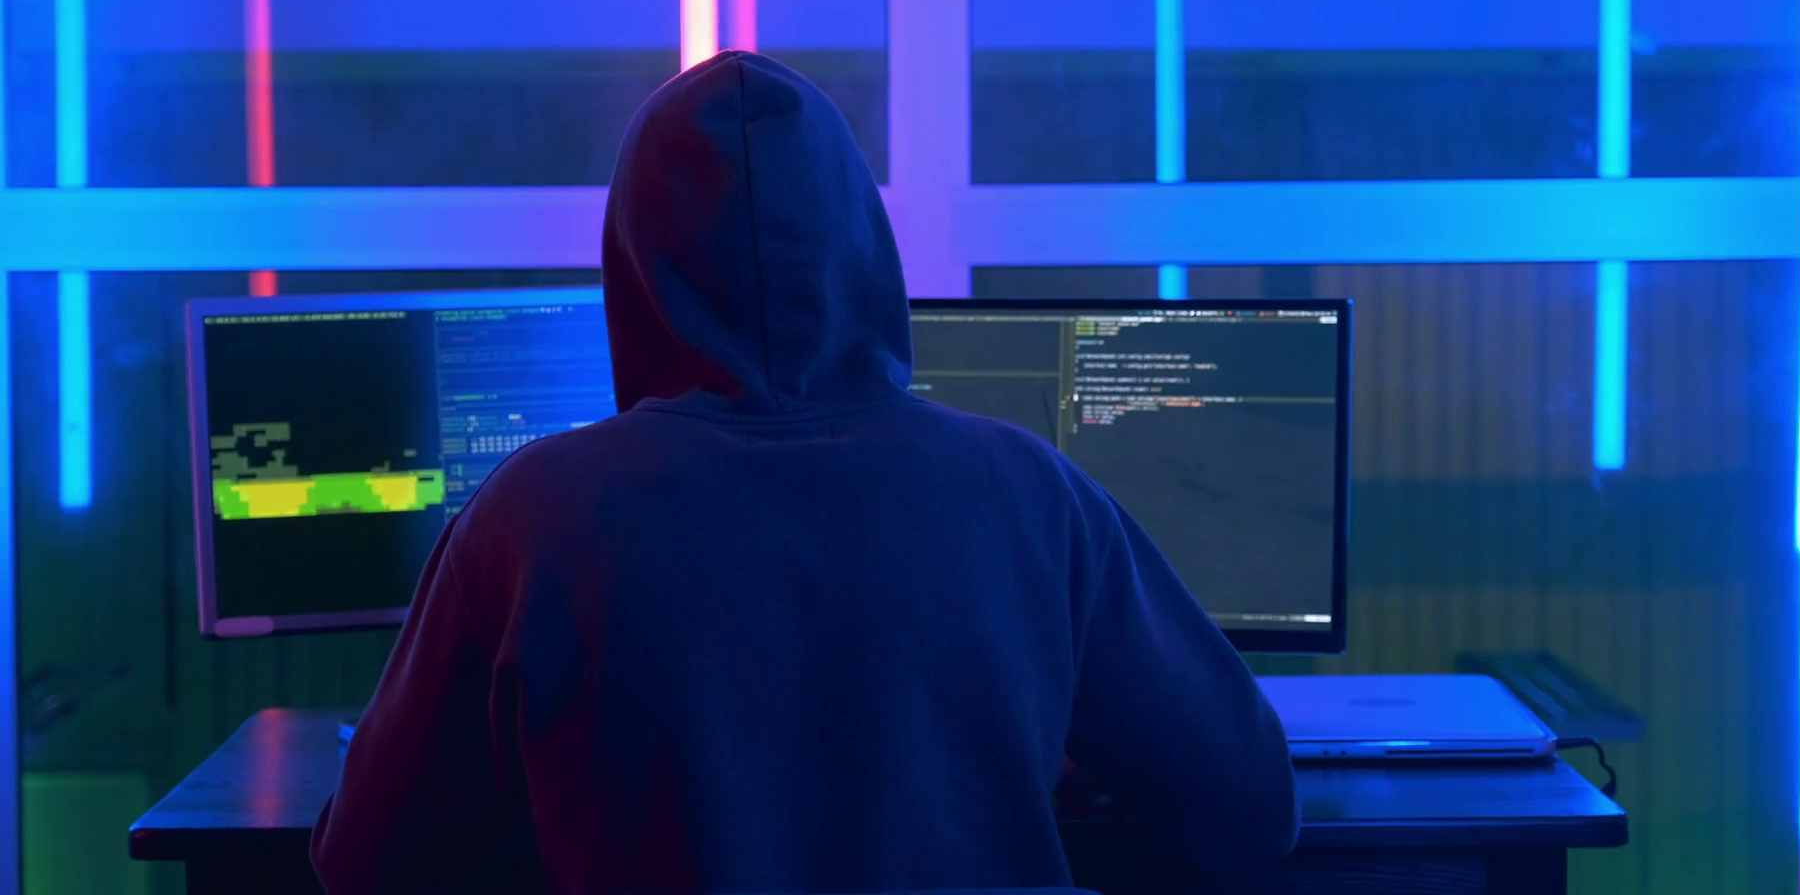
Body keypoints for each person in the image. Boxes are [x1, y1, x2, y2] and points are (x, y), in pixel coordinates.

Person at [310, 51, 1299, 894]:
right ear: (866, 246)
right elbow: (1249, 807)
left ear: (634, 265)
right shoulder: (1032, 492)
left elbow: (368, 861)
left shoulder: (535, 515)